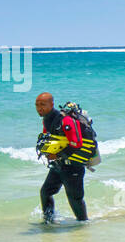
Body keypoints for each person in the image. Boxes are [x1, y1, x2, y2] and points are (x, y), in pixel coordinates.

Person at [35, 91, 92, 222]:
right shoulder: (46, 120)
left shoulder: (65, 120)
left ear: (52, 104)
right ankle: (48, 222)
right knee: (45, 192)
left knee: (74, 199)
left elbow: (77, 144)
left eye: (43, 104)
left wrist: (57, 154)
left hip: (73, 166)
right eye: (37, 105)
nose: (39, 108)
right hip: (58, 165)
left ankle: (83, 227)